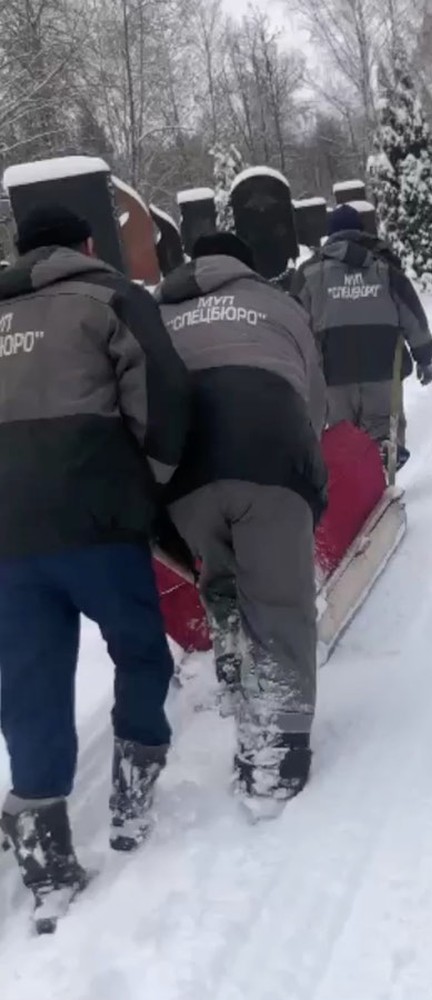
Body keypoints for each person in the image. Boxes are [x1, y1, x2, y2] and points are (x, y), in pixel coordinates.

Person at [0, 204, 189, 927]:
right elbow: (163, 396)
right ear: (86, 244)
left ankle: (46, 853)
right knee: (140, 651)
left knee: (30, 684)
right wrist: (153, 482)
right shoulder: (112, 296)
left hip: (8, 543)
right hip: (98, 519)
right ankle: (132, 796)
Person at [154, 231, 327, 814]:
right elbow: (313, 400)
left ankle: (234, 667)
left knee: (222, 575)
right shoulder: (279, 304)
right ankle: (275, 755)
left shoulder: (155, 308)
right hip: (272, 455)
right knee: (280, 601)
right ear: (246, 265)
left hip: (185, 475)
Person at [291, 204, 432, 471]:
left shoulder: (310, 273)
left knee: (342, 435)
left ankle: (354, 491)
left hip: (333, 373)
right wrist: (424, 357)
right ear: (361, 232)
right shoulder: (385, 268)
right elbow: (412, 315)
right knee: (384, 430)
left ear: (331, 235)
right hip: (382, 369)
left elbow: (293, 321)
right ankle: (382, 480)